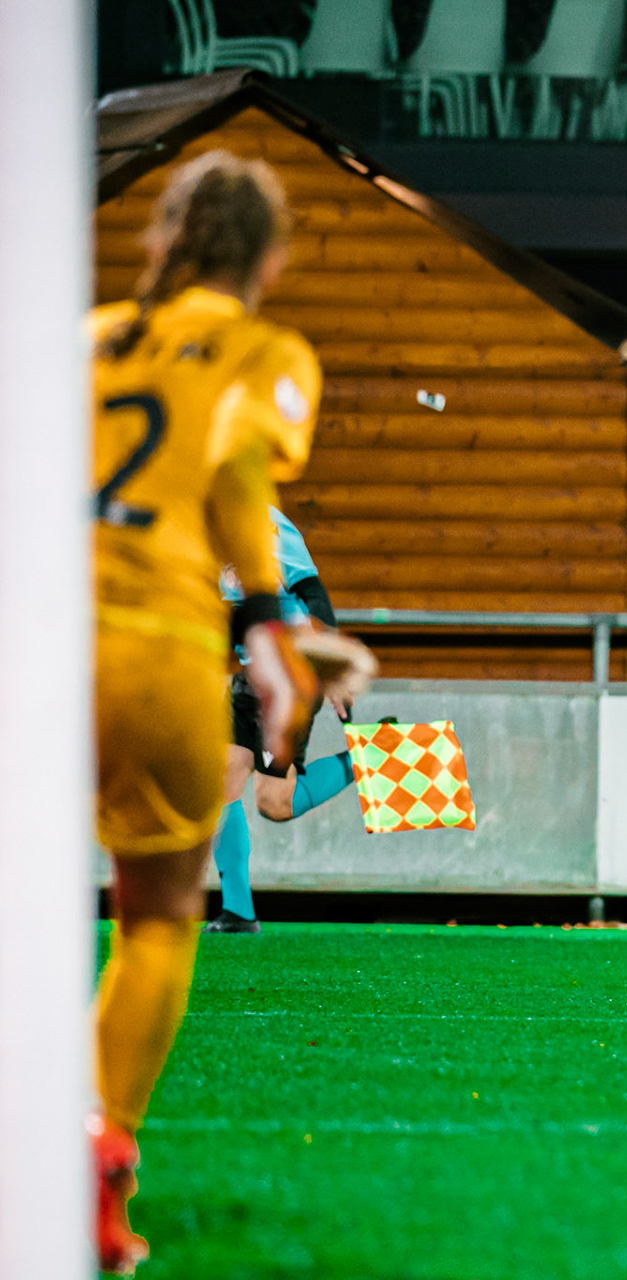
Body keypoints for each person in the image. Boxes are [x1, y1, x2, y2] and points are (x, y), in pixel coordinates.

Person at [88, 151, 324, 1272]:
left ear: (161, 237)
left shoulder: (81, 342)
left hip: (41, 642)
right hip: (161, 651)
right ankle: (101, 1161)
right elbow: (239, 485)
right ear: (272, 257)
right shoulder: (266, 354)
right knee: (151, 915)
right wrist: (274, 634)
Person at [204, 507, 359, 934]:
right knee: (222, 777)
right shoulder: (199, 524)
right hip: (250, 679)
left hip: (291, 678)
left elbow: (311, 591)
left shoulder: (266, 522)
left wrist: (329, 666)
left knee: (275, 803)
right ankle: (238, 912)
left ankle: (363, 762)